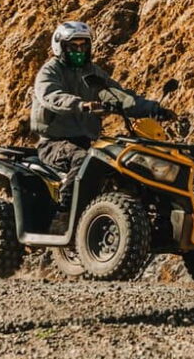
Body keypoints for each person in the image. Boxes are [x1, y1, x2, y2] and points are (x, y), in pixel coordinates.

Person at [31, 21, 176, 217]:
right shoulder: (50, 71)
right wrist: (81, 104)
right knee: (82, 159)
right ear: (61, 47)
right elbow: (51, 96)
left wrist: (155, 109)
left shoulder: (93, 73)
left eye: (84, 45)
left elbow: (119, 96)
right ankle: (65, 209)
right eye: (73, 46)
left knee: (124, 159)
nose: (79, 50)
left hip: (89, 141)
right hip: (55, 143)